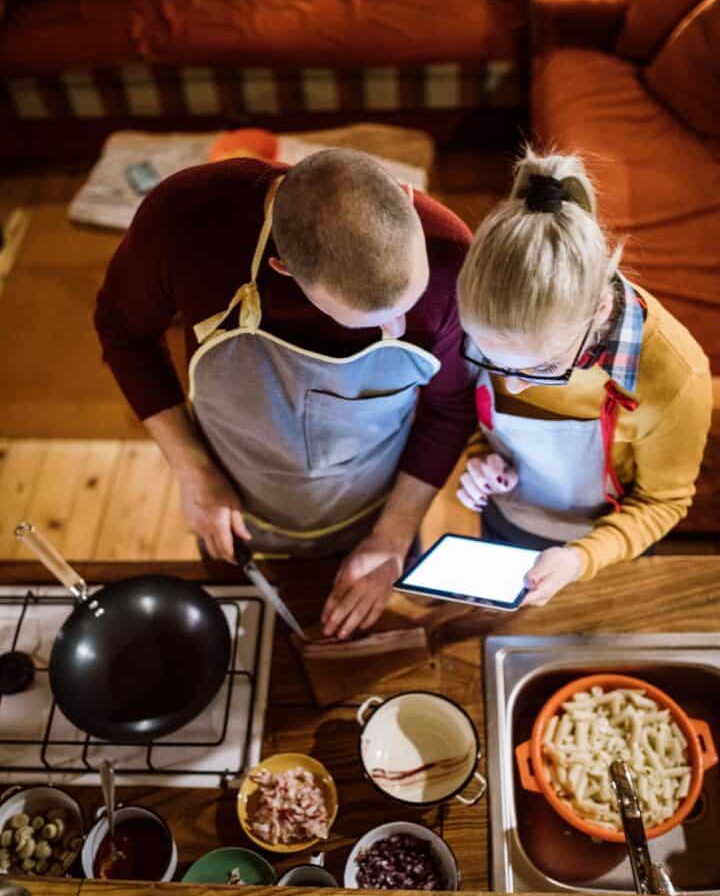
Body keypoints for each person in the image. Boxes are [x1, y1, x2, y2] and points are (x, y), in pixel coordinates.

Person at [95, 149, 476, 638]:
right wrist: (194, 472)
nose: (397, 327)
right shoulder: (185, 219)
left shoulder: (450, 256)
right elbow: (124, 334)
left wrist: (393, 536)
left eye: (408, 305)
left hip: (381, 512)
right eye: (372, 321)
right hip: (232, 507)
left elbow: (450, 407)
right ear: (285, 270)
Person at [455, 148, 712, 605]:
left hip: (607, 547)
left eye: (544, 369)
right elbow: (480, 411)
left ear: (600, 310)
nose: (512, 385)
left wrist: (580, 558)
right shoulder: (487, 320)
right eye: (493, 361)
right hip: (506, 515)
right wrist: (484, 457)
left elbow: (662, 502)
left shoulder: (675, 375)